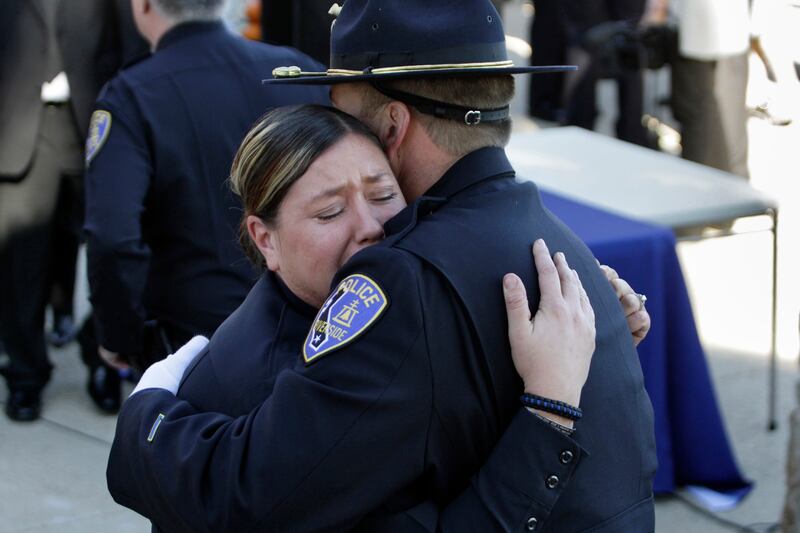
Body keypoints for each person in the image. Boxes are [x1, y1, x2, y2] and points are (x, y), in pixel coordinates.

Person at [107, 1, 657, 531]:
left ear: (392, 126)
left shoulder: (401, 280)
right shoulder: (560, 247)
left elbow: (248, 498)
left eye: (346, 116)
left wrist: (147, 413)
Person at [83, 0, 328, 399]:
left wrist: (118, 335)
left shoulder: (132, 94)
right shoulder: (297, 70)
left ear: (143, 5)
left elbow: (113, 237)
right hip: (309, 328)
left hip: (196, 351)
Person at [0, 0, 147, 421]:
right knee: (19, 266)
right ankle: (25, 374)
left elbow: (131, 43)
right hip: (17, 129)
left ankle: (102, 360)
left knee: (112, 255)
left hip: (96, 127)